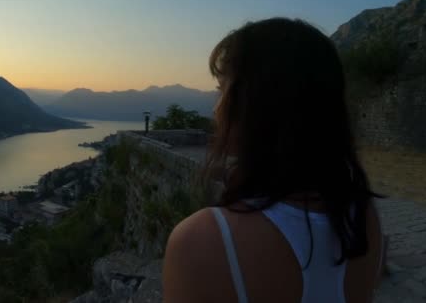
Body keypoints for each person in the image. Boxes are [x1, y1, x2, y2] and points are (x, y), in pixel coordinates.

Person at [163, 18, 384, 303]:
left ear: (256, 102)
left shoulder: (204, 240)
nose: (217, 108)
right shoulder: (364, 218)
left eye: (221, 89)